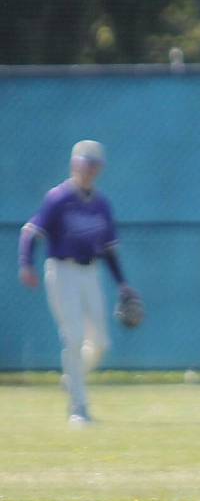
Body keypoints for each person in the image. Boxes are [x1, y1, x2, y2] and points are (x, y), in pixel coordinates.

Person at [18, 140, 137, 426]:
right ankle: (78, 409)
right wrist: (26, 263)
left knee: (100, 344)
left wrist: (122, 284)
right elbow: (30, 232)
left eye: (94, 164)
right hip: (62, 271)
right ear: (74, 164)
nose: (89, 169)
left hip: (90, 273)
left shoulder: (101, 204)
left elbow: (108, 248)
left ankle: (72, 377)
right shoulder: (58, 198)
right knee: (72, 337)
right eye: (85, 163)